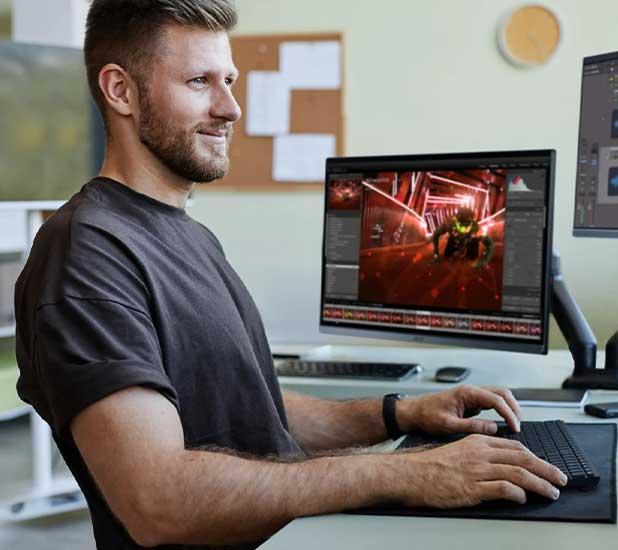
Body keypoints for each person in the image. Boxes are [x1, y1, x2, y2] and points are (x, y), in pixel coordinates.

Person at [13, 1, 565, 549]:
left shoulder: (190, 236)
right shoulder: (85, 254)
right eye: (199, 81)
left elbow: (252, 412)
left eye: (229, 79)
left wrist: (400, 415)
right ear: (120, 91)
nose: (230, 107)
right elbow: (158, 500)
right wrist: (405, 474)